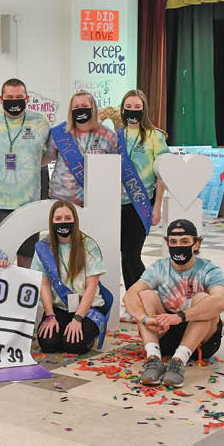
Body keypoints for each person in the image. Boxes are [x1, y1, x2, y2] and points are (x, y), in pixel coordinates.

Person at [123, 219, 224, 386]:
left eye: (184, 241)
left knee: (204, 300)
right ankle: (154, 358)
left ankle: (178, 361)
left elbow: (220, 302)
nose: (178, 246)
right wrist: (145, 319)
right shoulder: (159, 267)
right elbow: (129, 296)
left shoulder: (209, 269)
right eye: (173, 242)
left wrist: (181, 316)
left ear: (196, 244)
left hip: (201, 342)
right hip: (167, 335)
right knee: (146, 295)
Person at [0, 78, 50, 267]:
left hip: (28, 200)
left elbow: (47, 155)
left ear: (27, 99)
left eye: (19, 97)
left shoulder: (40, 121)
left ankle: (24, 294)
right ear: (1, 99)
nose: (14, 101)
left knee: (27, 255)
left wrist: (29, 165)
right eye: (9, 97)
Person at [33, 200, 107, 355]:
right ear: (51, 221)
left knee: (74, 346)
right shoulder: (43, 248)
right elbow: (44, 285)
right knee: (48, 344)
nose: (63, 222)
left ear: (75, 220)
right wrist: (49, 315)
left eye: (68, 218)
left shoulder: (89, 245)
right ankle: (64, 331)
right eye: (58, 218)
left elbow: (92, 287)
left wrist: (78, 319)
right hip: (60, 307)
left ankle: (89, 333)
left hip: (88, 308)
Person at [117, 90, 168, 290]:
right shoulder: (116, 136)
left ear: (144, 109)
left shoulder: (155, 136)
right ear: (122, 109)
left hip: (140, 203)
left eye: (137, 108)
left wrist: (157, 207)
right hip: (116, 205)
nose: (132, 111)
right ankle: (133, 299)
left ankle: (149, 294)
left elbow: (163, 175)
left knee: (132, 254)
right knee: (123, 255)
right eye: (128, 107)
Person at [46, 91, 117, 206]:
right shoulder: (59, 133)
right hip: (60, 201)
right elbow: (46, 159)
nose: (80, 109)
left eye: (85, 106)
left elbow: (113, 169)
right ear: (71, 110)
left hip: (95, 201)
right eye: (76, 107)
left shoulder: (109, 135)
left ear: (93, 108)